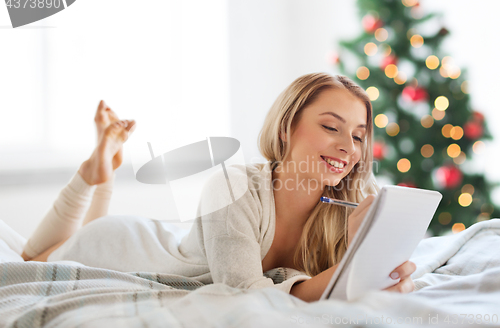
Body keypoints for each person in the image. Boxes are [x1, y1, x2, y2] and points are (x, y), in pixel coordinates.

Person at [21, 73, 416, 303]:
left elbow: (362, 283)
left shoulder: (354, 200)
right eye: (331, 127)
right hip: (124, 244)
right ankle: (95, 176)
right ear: (286, 127)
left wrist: (389, 274)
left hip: (174, 238)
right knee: (32, 260)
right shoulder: (234, 185)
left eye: (359, 136)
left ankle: (101, 174)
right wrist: (355, 269)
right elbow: (246, 293)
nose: (348, 147)